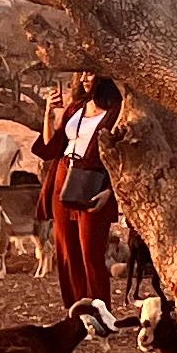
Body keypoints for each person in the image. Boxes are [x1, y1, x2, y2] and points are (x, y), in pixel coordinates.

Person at [38, 71, 124, 318]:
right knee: (66, 250)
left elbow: (121, 158)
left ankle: (101, 314)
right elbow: (52, 147)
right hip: (63, 179)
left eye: (90, 74)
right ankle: (76, 312)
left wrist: (110, 192)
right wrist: (48, 114)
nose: (85, 79)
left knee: (91, 254)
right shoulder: (76, 107)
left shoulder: (116, 111)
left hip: (94, 183)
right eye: (82, 75)